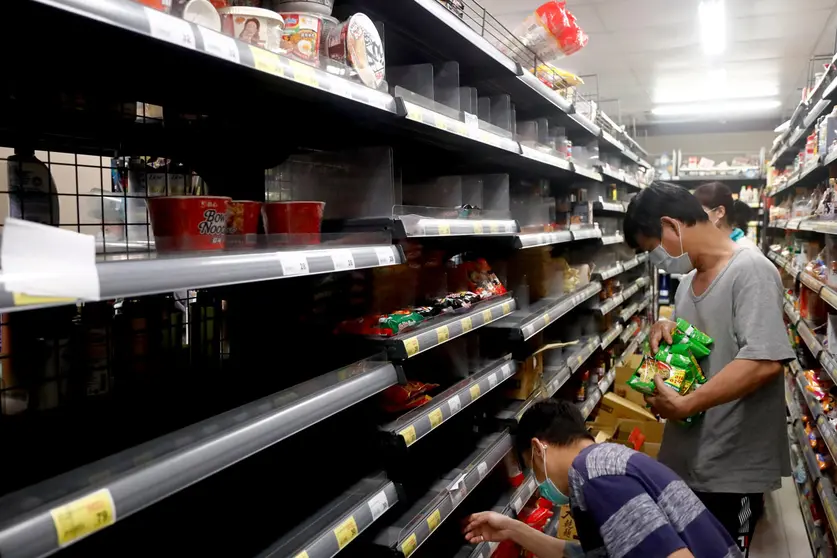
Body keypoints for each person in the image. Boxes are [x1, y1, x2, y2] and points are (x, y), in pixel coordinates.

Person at [623, 183, 794, 555]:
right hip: (687, 461)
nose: (655, 259)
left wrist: (688, 403)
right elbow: (704, 346)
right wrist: (666, 329)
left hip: (731, 470)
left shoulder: (751, 271)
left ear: (672, 226)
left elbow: (765, 361)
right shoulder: (686, 283)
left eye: (652, 248)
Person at [463, 400, 741, 558]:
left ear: (538, 449)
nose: (538, 480)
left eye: (530, 467)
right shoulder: (605, 460)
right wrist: (513, 529)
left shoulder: (593, 474)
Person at [692, 182, 759, 251]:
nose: (695, 219)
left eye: (700, 212)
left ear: (720, 212)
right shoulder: (710, 247)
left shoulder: (745, 250)